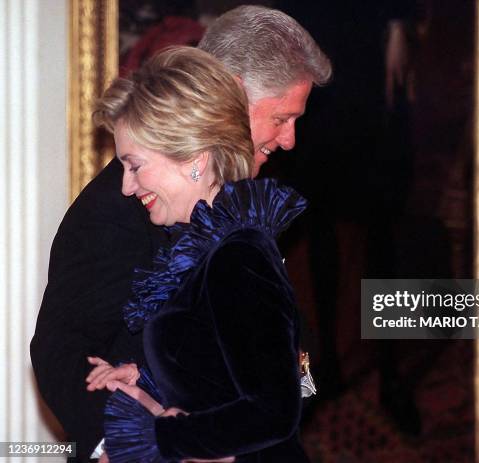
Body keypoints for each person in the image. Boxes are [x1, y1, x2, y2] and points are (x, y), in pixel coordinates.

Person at [30, 6, 330, 461]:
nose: (289, 140)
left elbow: (263, 375)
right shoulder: (117, 210)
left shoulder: (239, 216)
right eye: (281, 118)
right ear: (229, 93)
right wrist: (129, 437)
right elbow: (61, 349)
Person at [87, 45, 309, 462]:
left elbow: (274, 413)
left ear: (194, 158)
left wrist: (158, 442)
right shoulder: (206, 248)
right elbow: (221, 372)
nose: (127, 187)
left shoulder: (238, 256)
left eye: (135, 165)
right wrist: (148, 380)